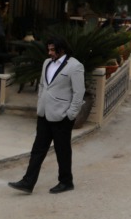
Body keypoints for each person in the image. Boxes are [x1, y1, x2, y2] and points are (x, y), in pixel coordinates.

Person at [7, 35, 85, 194]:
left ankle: (66, 181)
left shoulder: (75, 66)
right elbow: (43, 85)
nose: (49, 53)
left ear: (61, 49)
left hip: (62, 116)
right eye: (48, 49)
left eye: (52, 49)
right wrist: (39, 105)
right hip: (44, 113)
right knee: (37, 149)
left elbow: (79, 93)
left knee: (62, 150)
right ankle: (28, 182)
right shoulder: (46, 63)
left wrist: (70, 114)